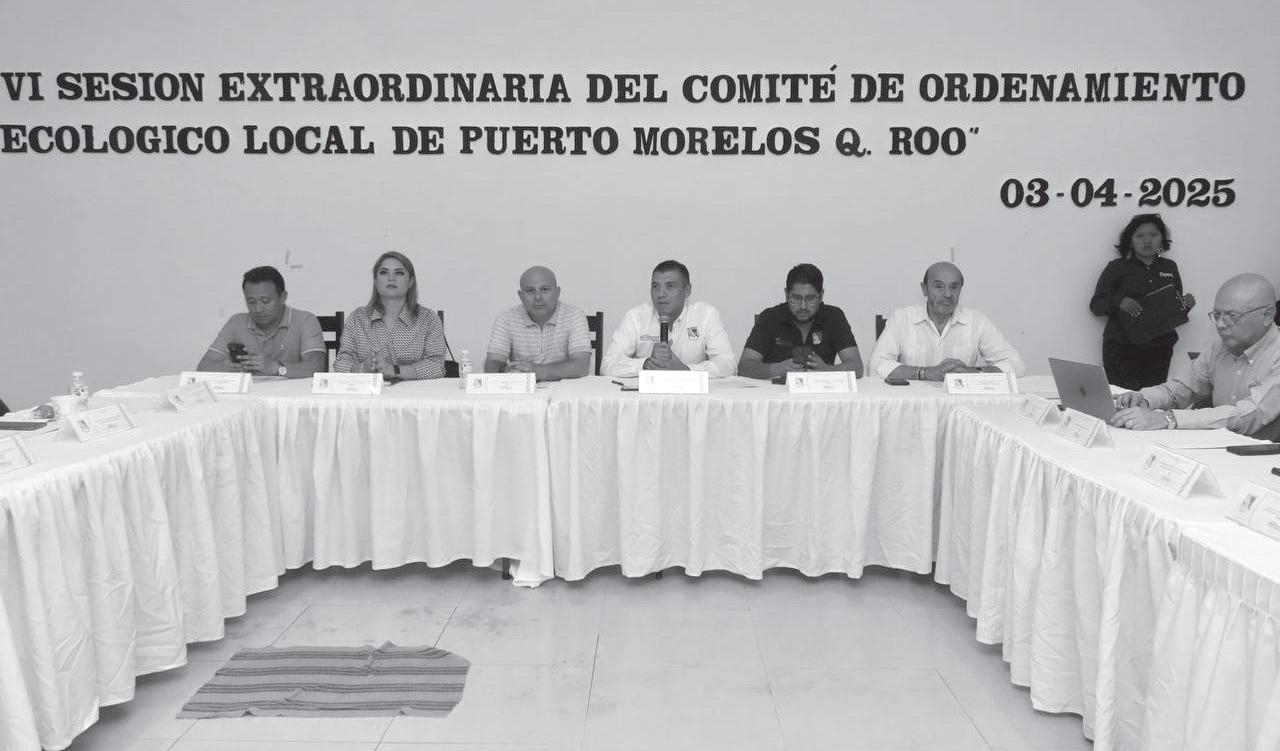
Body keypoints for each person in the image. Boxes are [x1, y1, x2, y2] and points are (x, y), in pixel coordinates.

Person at [1110, 273, 1280, 439]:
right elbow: (1180, 389)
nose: (1220, 324)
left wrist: (1168, 419)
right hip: (1219, 444)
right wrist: (1145, 399)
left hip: (1264, 453)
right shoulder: (1221, 348)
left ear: (1267, 315)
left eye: (1232, 316)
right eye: (1217, 315)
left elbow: (1248, 414)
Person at [869, 261, 1026, 381]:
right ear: (924, 289)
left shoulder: (977, 321)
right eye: (939, 287)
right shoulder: (902, 318)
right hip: (914, 405)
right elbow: (876, 366)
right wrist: (925, 373)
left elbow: (1016, 364)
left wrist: (974, 372)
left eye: (954, 287)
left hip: (963, 406)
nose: (948, 294)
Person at [1089, 214, 1196, 390]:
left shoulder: (1170, 267)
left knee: (1152, 399)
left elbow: (1174, 309)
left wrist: (1186, 304)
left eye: (1153, 235)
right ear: (1130, 241)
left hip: (1160, 348)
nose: (1147, 240)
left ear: (1162, 239)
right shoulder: (1116, 267)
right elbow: (1096, 305)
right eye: (1140, 235)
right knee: (1122, 398)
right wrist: (1120, 302)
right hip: (1121, 347)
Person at [601, 259, 735, 378]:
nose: (661, 294)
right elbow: (607, 365)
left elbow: (728, 364)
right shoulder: (635, 317)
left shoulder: (706, 316)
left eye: (670, 286)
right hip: (648, 395)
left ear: (687, 290)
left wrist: (686, 370)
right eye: (655, 286)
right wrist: (646, 364)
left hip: (691, 395)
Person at [197, 265, 327, 378]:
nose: (258, 309)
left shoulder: (305, 320)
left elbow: (317, 368)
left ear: (283, 297)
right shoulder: (236, 322)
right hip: (250, 395)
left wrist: (275, 368)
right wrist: (226, 368)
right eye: (251, 302)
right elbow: (202, 367)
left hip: (292, 396)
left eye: (265, 301)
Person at [739, 263, 863, 379]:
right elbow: (744, 367)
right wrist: (776, 369)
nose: (803, 306)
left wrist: (826, 370)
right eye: (796, 298)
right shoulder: (770, 317)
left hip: (821, 392)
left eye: (810, 298)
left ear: (821, 296)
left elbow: (856, 367)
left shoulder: (834, 317)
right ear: (786, 294)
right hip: (775, 392)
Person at [333, 251, 446, 379]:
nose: (391, 278)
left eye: (399, 273)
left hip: (415, 391)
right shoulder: (357, 318)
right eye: (384, 272)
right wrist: (363, 368)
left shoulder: (428, 319)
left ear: (411, 282)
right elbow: (341, 363)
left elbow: (437, 366)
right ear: (375, 281)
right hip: (370, 390)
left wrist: (394, 371)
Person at [483, 266, 591, 381]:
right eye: (530, 290)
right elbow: (491, 364)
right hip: (522, 388)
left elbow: (581, 366)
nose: (538, 297)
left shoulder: (574, 315)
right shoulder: (506, 318)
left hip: (565, 389)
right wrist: (507, 370)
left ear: (557, 292)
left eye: (544, 289)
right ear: (520, 295)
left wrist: (540, 371)